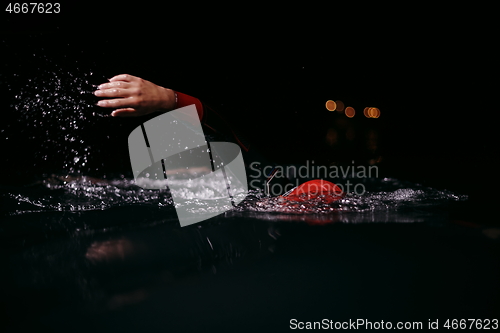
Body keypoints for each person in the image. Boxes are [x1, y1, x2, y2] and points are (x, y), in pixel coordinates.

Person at [94, 74, 343, 202]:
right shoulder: (259, 182)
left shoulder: (274, 191)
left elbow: (223, 132)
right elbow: (221, 129)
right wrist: (166, 98)